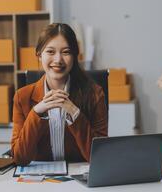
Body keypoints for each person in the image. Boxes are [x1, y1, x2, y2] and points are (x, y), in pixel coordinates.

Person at [11, 23, 108, 166]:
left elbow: (100, 157)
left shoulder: (95, 94)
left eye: (66, 52)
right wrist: (37, 112)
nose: (58, 60)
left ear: (75, 56)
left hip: (79, 180)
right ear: (39, 55)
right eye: (50, 52)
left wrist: (75, 113)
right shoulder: (22, 97)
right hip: (41, 182)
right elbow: (20, 158)